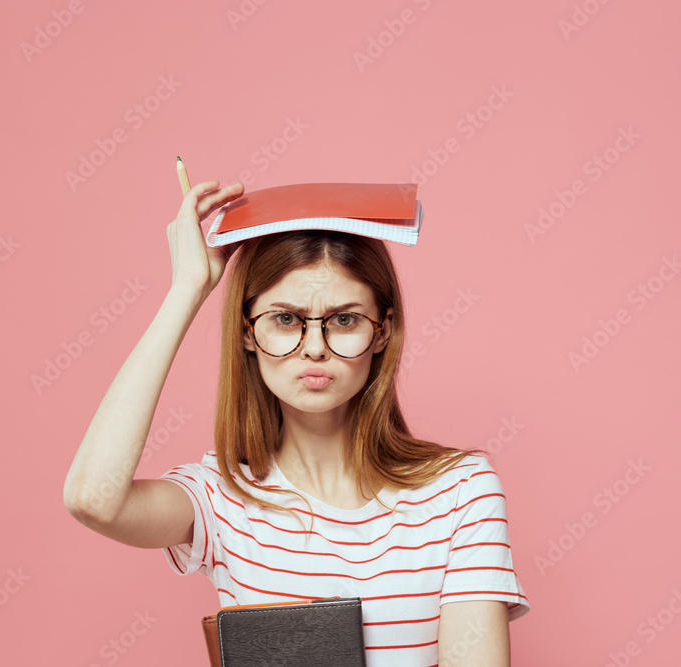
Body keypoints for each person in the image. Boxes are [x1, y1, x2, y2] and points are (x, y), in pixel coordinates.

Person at [63, 179, 530, 666]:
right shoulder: (221, 499)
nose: (314, 347)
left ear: (382, 332)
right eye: (285, 319)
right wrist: (186, 290)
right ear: (247, 332)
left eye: (344, 320)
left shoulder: (460, 489)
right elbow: (93, 499)